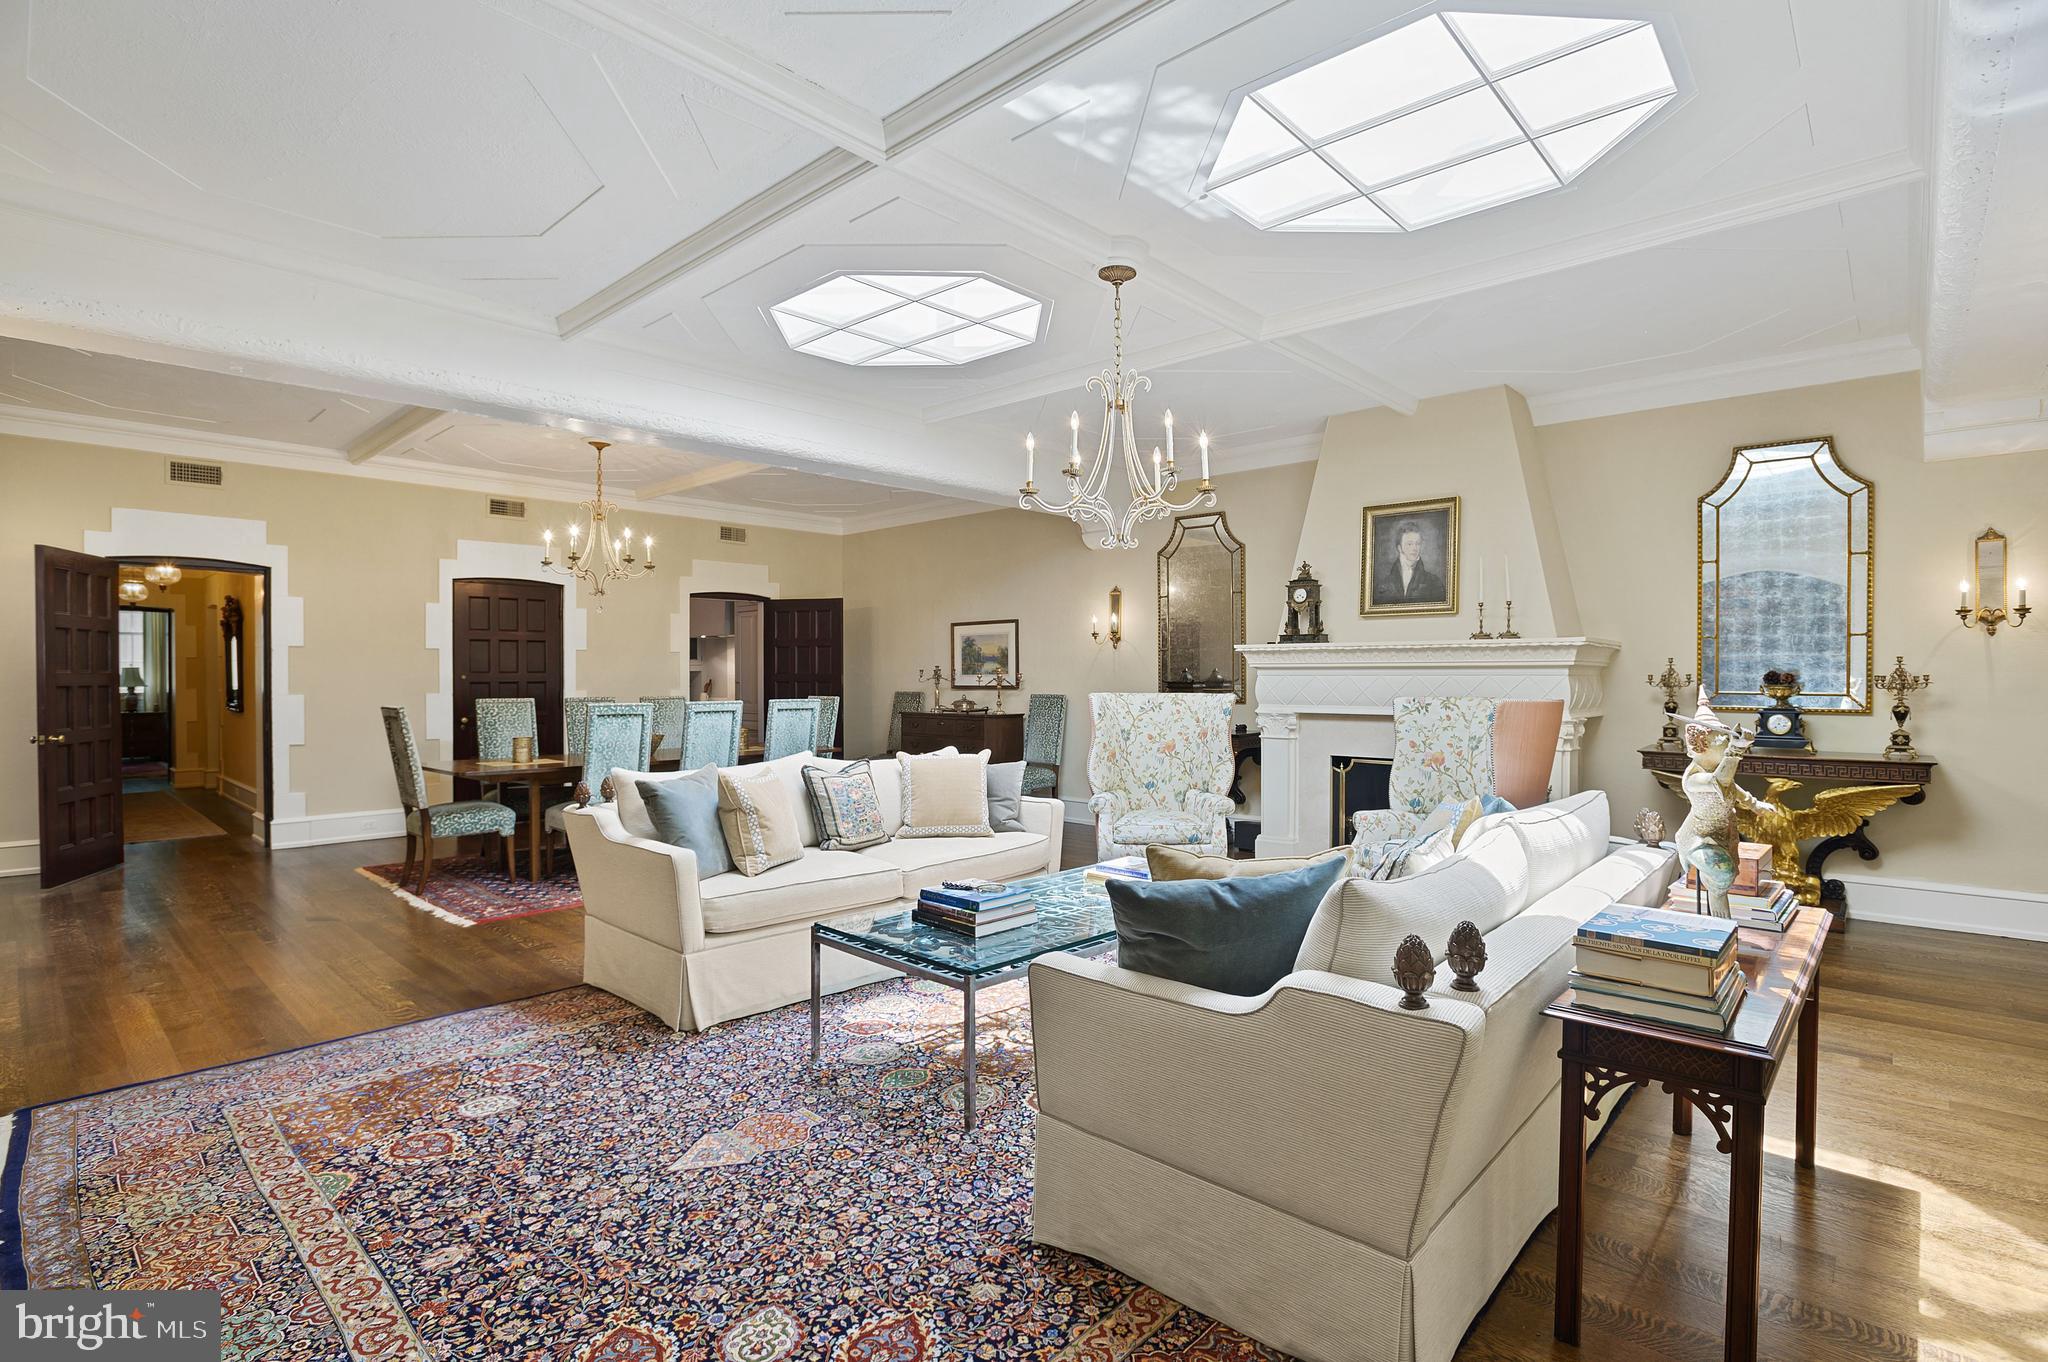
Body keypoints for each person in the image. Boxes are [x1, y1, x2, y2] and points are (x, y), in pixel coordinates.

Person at [1375, 519, 1443, 604]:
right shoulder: (1384, 584)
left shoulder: (1434, 582)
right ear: (1399, 548)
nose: (1414, 548)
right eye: (1409, 544)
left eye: (1417, 544)